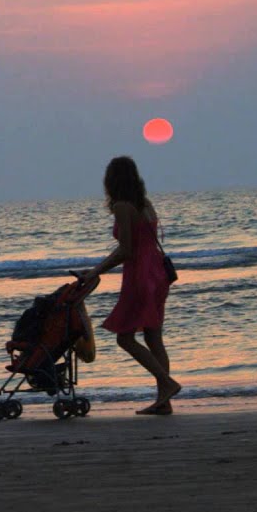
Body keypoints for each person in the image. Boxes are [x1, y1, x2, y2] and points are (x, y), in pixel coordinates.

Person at [79, 156, 181, 415]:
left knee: (124, 337)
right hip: (158, 274)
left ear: (111, 180)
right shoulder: (145, 204)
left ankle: (167, 384)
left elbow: (126, 251)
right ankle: (164, 401)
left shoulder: (123, 207)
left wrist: (95, 271)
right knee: (154, 337)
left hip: (140, 275)